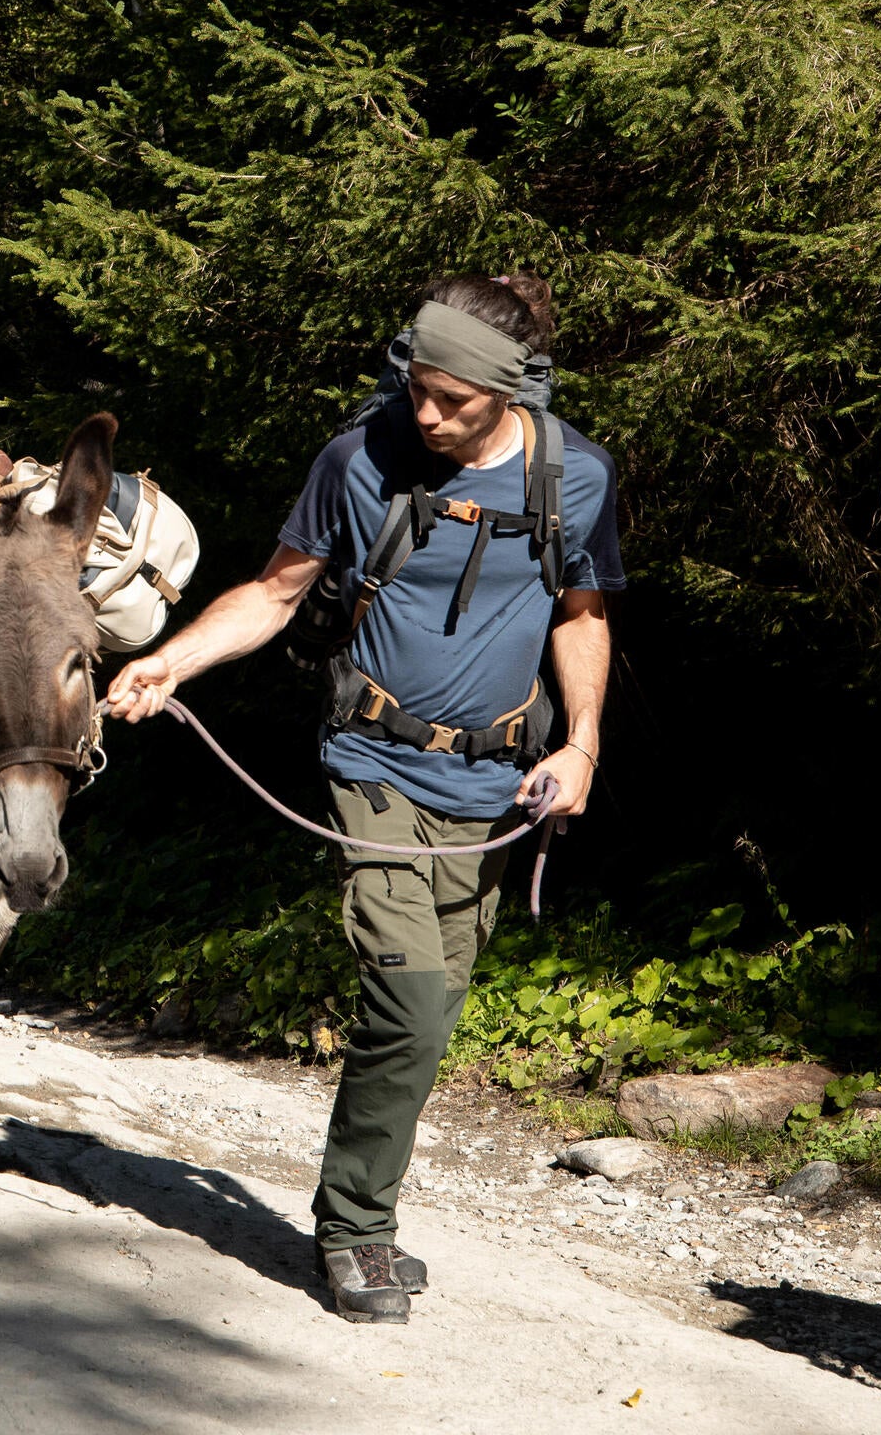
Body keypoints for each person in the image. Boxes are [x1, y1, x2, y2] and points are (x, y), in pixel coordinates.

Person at [104, 273, 623, 1325]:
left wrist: (582, 744)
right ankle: (355, 1232)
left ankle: (360, 1209)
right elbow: (276, 590)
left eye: (450, 401)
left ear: (508, 389)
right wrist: (170, 661)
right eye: (416, 389)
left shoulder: (576, 476)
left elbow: (581, 613)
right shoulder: (360, 459)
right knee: (411, 997)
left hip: (497, 784)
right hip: (372, 763)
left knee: (431, 1014)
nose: (424, 414)